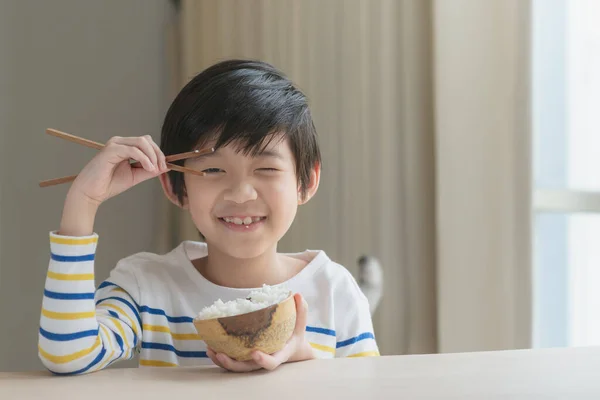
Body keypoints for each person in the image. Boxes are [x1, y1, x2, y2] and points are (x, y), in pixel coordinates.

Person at [38, 59, 379, 375]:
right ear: (175, 188)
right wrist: (83, 202)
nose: (241, 193)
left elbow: (371, 391)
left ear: (307, 181)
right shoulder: (147, 286)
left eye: (266, 168)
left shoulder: (335, 291)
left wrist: (310, 363)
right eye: (213, 169)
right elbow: (68, 356)